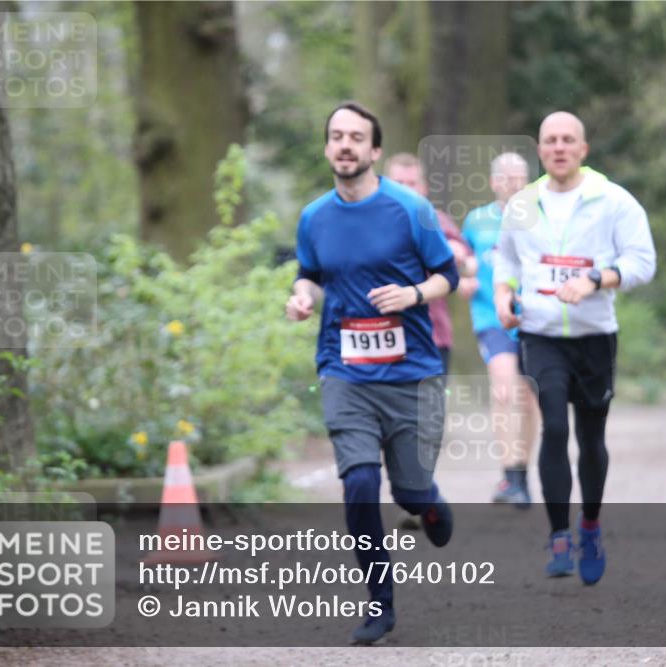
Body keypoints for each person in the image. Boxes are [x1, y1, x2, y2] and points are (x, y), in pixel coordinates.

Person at [286, 102, 457, 644]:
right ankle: (380, 604)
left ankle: (427, 503)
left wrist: (411, 293)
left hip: (411, 372)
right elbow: (310, 275)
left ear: (374, 150)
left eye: (356, 137)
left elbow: (447, 275)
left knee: (407, 492)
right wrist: (301, 298)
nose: (345, 145)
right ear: (327, 147)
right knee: (359, 482)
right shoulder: (314, 216)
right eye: (336, 135)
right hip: (345, 369)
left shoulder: (410, 209)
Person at [493, 112, 656, 585]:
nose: (559, 147)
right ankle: (558, 535)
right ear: (540, 150)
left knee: (590, 439)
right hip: (541, 335)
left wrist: (596, 279)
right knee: (554, 429)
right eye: (550, 140)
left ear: (583, 149)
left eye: (568, 140)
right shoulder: (522, 204)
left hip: (594, 337)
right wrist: (504, 296)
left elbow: (642, 262)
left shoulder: (613, 201)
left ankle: (590, 525)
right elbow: (505, 258)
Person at [461, 152, 540, 508]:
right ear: (493, 182)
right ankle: (510, 474)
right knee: (505, 390)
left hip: (534, 319)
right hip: (491, 318)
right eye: (507, 177)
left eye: (521, 176)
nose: (514, 182)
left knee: (530, 398)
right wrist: (463, 278)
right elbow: (461, 264)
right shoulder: (476, 221)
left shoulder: (541, 219)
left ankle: (521, 474)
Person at [384, 152, 477, 376]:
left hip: (432, 336)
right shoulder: (371, 222)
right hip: (383, 337)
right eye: (399, 183)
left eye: (412, 183)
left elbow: (470, 264)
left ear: (423, 187)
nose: (406, 189)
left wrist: (459, 258)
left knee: (430, 410)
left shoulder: (436, 220)